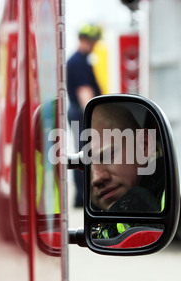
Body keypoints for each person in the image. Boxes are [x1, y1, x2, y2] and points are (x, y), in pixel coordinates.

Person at [90, 103, 165, 239]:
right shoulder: (93, 217)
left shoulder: (165, 193)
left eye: (107, 155)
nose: (96, 178)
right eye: (83, 168)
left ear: (144, 145)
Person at [67, 23, 103, 207]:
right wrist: (94, 116)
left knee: (84, 152)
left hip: (79, 112)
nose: (95, 45)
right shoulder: (78, 61)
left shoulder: (81, 60)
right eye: (94, 41)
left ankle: (82, 196)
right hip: (81, 113)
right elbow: (84, 93)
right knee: (85, 154)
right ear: (86, 40)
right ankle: (82, 197)